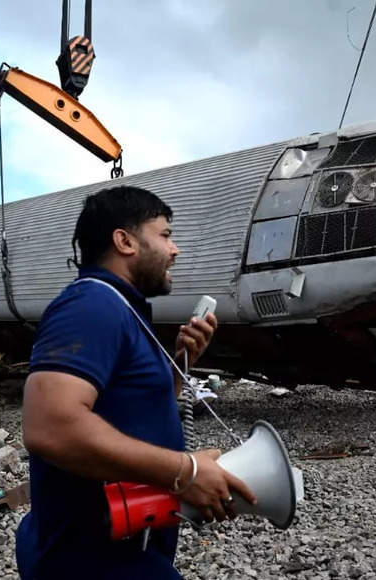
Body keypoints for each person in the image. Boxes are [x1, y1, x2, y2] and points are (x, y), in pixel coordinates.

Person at [16, 186, 256, 579]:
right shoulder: (92, 305)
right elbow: (49, 428)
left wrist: (178, 367)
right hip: (90, 558)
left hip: (122, 545)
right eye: (164, 235)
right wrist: (186, 472)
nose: (174, 249)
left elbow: (130, 409)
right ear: (124, 241)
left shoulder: (121, 308)